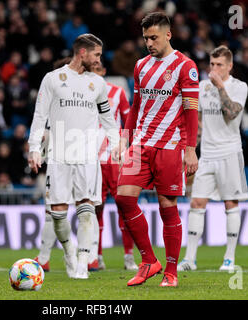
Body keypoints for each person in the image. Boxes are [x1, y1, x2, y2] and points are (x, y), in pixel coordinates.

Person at [114, 12, 199, 288]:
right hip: (141, 144)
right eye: (145, 38)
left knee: (167, 207)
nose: (149, 43)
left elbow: (190, 111)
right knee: (124, 198)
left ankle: (171, 272)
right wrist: (124, 138)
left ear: (168, 35)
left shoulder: (185, 67)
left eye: (153, 37)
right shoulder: (140, 66)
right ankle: (149, 260)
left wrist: (190, 148)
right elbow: (136, 106)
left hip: (170, 145)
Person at [28, 34, 120, 279]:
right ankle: (68, 250)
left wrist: (117, 143)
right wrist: (34, 148)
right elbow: (39, 116)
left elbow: (108, 118)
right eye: (96, 55)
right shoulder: (53, 79)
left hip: (88, 157)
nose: (99, 60)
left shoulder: (98, 84)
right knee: (57, 213)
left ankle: (82, 261)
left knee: (86, 208)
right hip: (59, 156)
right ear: (82, 53)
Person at [177, 45, 248, 273]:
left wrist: (220, 88)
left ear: (229, 66)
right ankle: (190, 259)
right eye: (212, 64)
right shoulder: (201, 87)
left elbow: (231, 113)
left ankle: (228, 259)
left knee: (230, 203)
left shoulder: (239, 87)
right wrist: (189, 150)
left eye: (219, 64)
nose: (214, 68)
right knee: (196, 203)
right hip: (207, 154)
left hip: (230, 152)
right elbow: (195, 121)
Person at [89, 63, 138, 271]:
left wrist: (126, 150)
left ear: (104, 72)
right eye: (92, 71)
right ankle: (96, 256)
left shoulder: (117, 92)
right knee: (94, 210)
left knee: (125, 207)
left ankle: (129, 257)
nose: (95, 74)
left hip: (115, 159)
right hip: (91, 159)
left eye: (98, 70)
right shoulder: (82, 95)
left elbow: (128, 123)